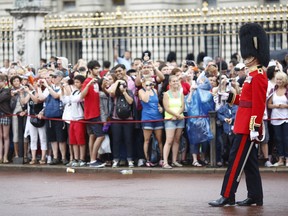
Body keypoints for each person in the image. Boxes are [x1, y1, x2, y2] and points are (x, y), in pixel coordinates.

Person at [209, 23, 270, 207]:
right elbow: (244, 100)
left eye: (249, 55)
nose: (247, 57)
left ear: (256, 56)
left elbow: (258, 105)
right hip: (242, 123)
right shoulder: (252, 75)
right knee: (249, 163)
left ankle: (227, 195)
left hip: (247, 127)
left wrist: (255, 127)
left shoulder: (259, 75)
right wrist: (227, 96)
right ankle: (255, 196)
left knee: (235, 161)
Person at [80, 60, 106, 168]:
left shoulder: (96, 80)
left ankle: (93, 158)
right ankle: (93, 159)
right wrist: (88, 84)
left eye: (98, 68)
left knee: (93, 136)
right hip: (92, 113)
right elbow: (82, 95)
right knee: (100, 136)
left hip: (95, 112)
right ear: (90, 70)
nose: (98, 70)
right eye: (95, 68)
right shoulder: (87, 81)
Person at [138, 76, 164, 167]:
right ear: (143, 84)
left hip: (157, 117)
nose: (149, 85)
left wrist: (160, 107)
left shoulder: (155, 91)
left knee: (159, 139)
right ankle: (148, 159)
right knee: (147, 140)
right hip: (147, 117)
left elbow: (156, 102)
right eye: (147, 84)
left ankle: (161, 158)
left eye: (151, 84)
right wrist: (148, 89)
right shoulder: (141, 91)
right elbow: (145, 99)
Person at [162, 75, 185, 169]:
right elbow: (166, 107)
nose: (176, 83)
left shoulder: (181, 94)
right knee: (169, 140)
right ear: (170, 83)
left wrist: (178, 115)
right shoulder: (166, 94)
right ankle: (165, 162)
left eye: (177, 81)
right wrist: (175, 115)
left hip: (180, 119)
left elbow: (182, 106)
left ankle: (174, 160)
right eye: (174, 81)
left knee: (177, 140)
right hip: (170, 119)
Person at [267, 71, 288, 167]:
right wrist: (276, 105)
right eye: (277, 79)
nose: (278, 81)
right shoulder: (273, 91)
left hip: (286, 118)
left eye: (280, 79)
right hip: (275, 119)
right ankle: (280, 159)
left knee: (286, 139)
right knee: (278, 139)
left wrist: (285, 106)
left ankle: (287, 159)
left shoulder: (287, 91)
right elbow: (269, 105)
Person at [0, 74, 12, 164]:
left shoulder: (7, 90)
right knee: (0, 137)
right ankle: (0, 156)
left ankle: (5, 156)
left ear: (4, 82)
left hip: (5, 114)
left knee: (5, 136)